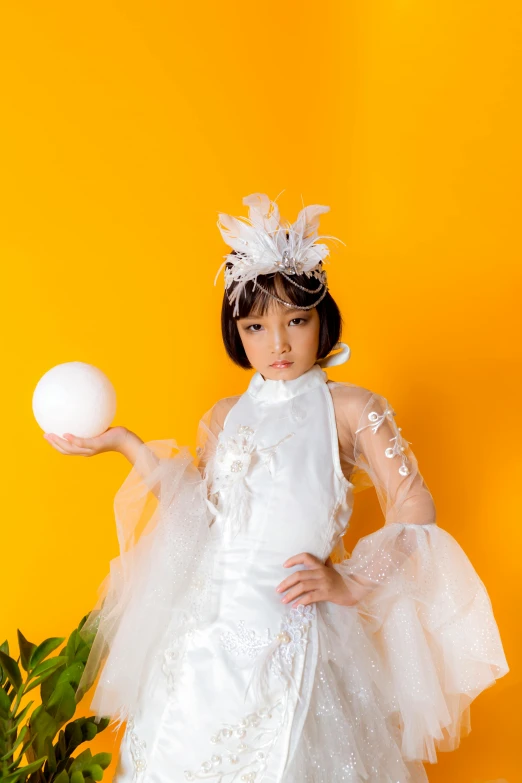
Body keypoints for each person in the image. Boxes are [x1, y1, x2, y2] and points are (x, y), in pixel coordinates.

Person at [43, 192, 509, 782]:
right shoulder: (223, 415)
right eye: (256, 327)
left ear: (322, 320)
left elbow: (414, 506)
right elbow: (202, 517)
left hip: (294, 626)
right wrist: (126, 444)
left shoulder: (350, 408)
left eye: (297, 321)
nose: (279, 344)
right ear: (238, 333)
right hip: (205, 633)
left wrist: (353, 578)